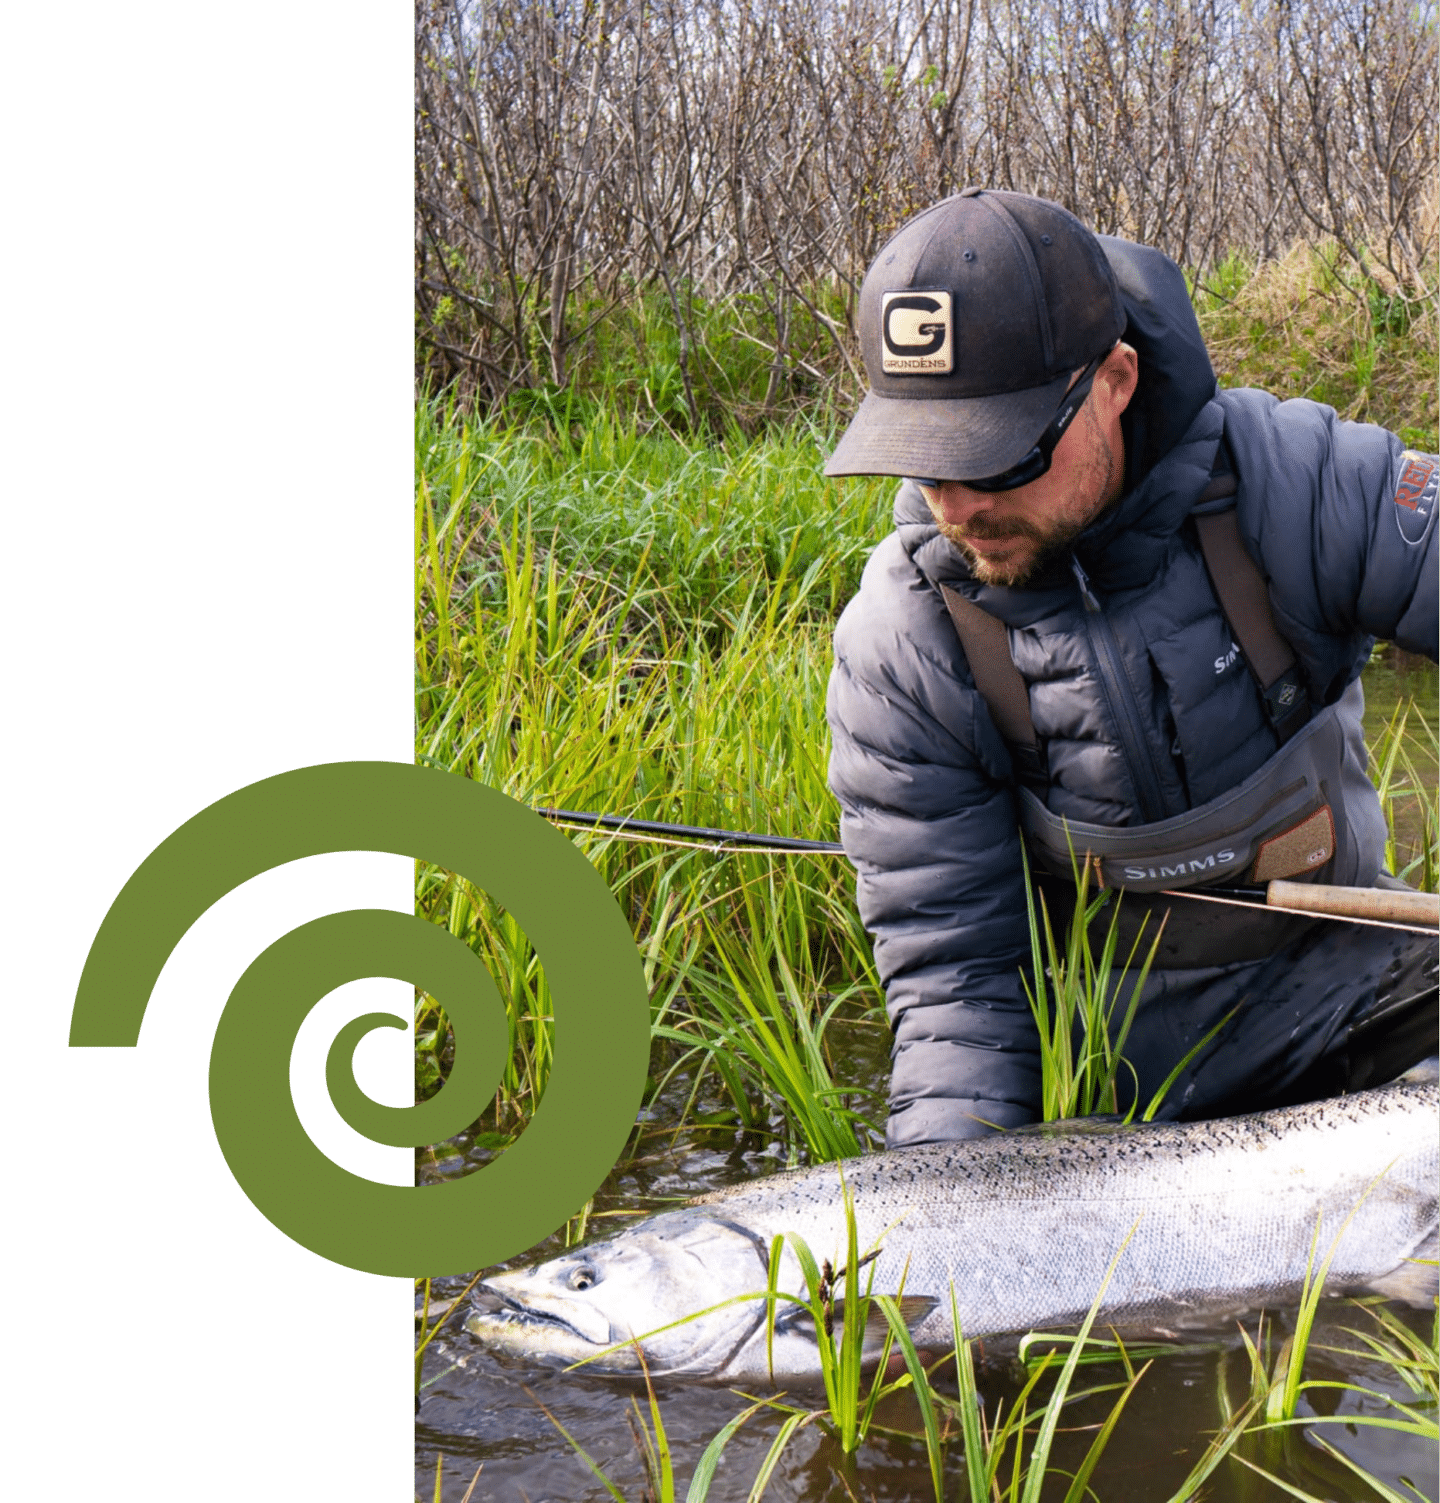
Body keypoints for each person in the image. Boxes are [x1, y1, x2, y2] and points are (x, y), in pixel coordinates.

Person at [823, 188, 1439, 1147]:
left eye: (996, 458)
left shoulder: (1301, 481)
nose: (956, 505)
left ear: (1113, 380)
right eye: (925, 457)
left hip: (1359, 1003)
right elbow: (958, 993)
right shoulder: (903, 646)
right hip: (1111, 1108)